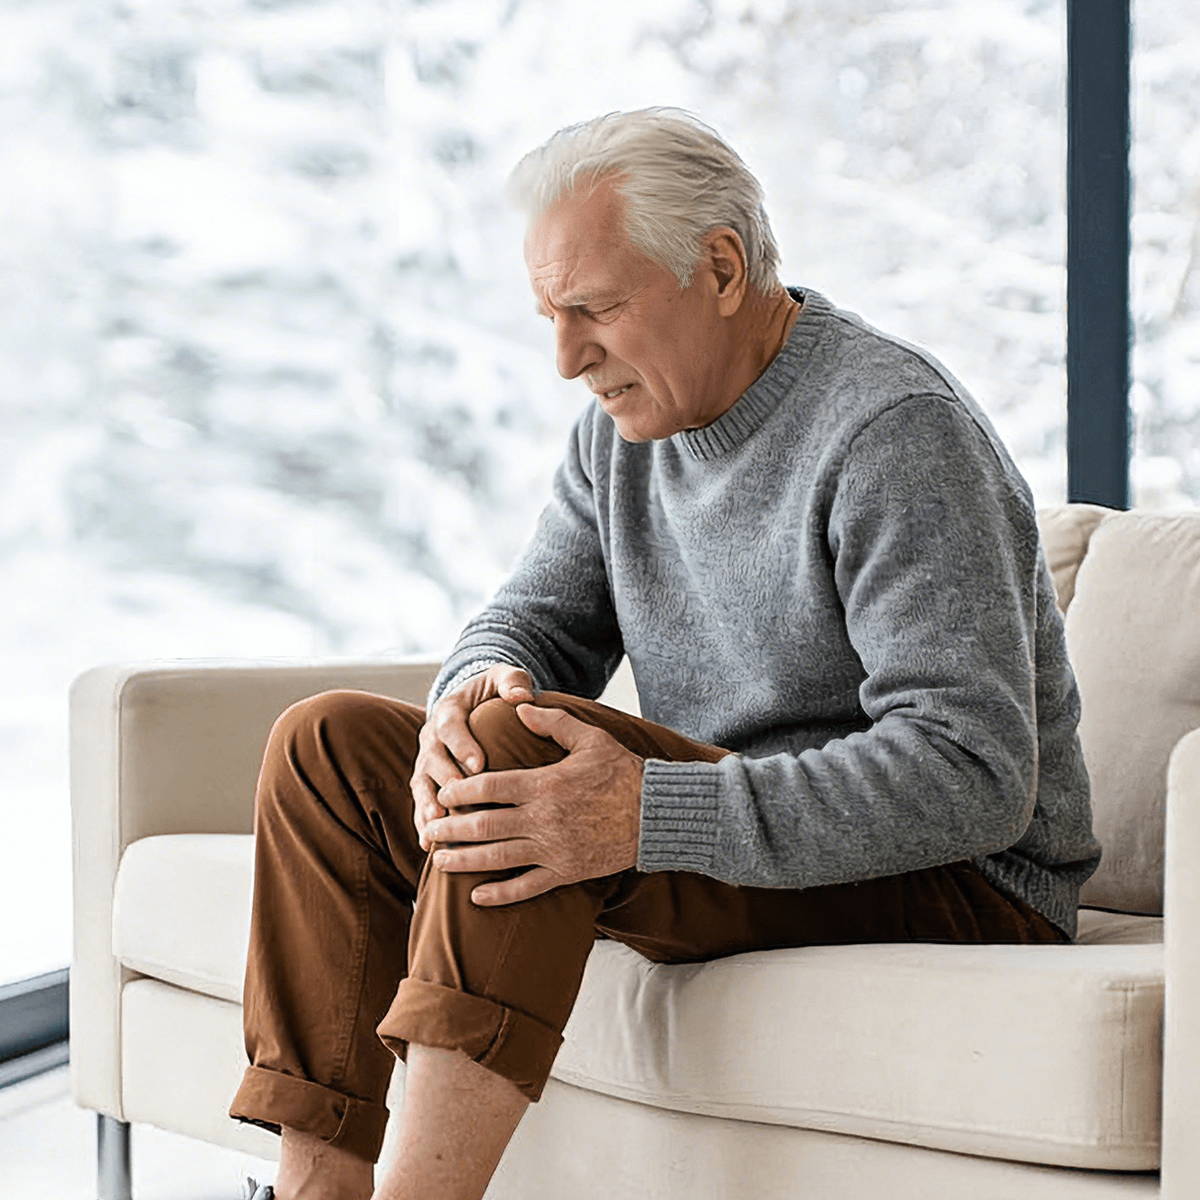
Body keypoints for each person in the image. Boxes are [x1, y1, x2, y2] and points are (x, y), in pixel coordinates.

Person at [227, 106, 1102, 1200]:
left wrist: (645, 812)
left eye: (592, 309)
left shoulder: (893, 431)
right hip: (731, 844)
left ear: (721, 266)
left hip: (957, 882)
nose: (564, 358)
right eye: (549, 315)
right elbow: (530, 622)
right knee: (327, 748)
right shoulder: (618, 437)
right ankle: (315, 1190)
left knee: (525, 757)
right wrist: (472, 687)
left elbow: (972, 780)